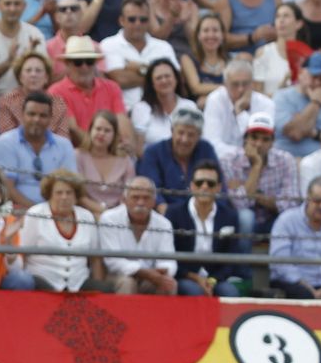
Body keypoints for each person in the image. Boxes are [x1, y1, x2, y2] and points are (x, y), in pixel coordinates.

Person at [20, 168, 109, 290]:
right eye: (59, 193)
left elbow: (95, 258)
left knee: (106, 290)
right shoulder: (35, 214)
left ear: (76, 196)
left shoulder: (86, 216)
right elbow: (23, 254)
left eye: (69, 193)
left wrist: (98, 288)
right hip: (42, 281)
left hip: (78, 282)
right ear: (49, 194)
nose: (64, 197)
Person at [168, 158, 247, 295]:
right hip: (185, 276)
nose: (204, 187)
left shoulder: (230, 216)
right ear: (192, 186)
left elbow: (232, 257)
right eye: (199, 183)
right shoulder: (174, 213)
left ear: (218, 188)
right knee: (194, 291)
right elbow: (170, 255)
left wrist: (212, 281)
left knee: (230, 293)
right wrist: (194, 277)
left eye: (210, 184)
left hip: (217, 278)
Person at [0, 89, 76, 209]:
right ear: (22, 115)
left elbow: (69, 185)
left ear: (51, 118)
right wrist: (37, 212)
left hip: (56, 209)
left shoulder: (64, 145)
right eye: (32, 114)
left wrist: (50, 211)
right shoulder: (5, 143)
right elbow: (7, 188)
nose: (36, 119)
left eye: (42, 116)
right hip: (16, 209)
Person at [218, 109, 298, 236]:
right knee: (245, 217)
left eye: (265, 139)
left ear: (272, 143)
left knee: (290, 219)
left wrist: (255, 195)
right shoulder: (228, 161)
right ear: (245, 139)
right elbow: (239, 205)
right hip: (240, 222)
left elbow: (291, 204)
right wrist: (256, 166)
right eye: (254, 138)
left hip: (274, 219)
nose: (259, 144)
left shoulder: (286, 160)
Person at [99, 175, 184, 294]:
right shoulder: (109, 219)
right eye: (135, 197)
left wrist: (162, 273)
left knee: (169, 283)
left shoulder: (164, 224)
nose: (140, 202)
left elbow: (169, 261)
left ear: (154, 202)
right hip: (118, 276)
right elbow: (113, 261)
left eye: (146, 198)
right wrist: (145, 273)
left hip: (153, 276)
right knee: (127, 283)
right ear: (125, 199)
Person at [99, 0, 177, 111]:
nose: (138, 24)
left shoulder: (163, 47)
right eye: (132, 19)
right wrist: (158, 76)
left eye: (143, 19)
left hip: (161, 112)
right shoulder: (107, 45)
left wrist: (138, 68)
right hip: (124, 114)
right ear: (121, 20)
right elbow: (120, 80)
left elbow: (176, 79)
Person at [48, 35, 128, 142]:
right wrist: (103, 150)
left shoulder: (112, 87)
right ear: (67, 64)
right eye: (78, 62)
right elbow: (73, 130)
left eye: (89, 61)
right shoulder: (56, 92)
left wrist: (124, 146)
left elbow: (123, 124)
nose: (84, 67)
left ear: (95, 63)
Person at [136, 106, 217, 210]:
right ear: (172, 131)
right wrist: (167, 212)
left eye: (191, 135)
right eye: (181, 133)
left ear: (199, 136)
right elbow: (151, 189)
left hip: (201, 211)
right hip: (165, 213)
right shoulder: (153, 152)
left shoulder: (206, 149)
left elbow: (218, 186)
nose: (184, 139)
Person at [202, 57, 272, 155]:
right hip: (222, 162)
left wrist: (240, 112)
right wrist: (241, 155)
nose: (240, 89)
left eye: (245, 84)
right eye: (235, 84)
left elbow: (262, 144)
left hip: (257, 161)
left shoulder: (266, 104)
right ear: (225, 84)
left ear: (253, 84)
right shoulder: (215, 100)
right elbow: (212, 143)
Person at [0, 51, 69, 140]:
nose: (33, 75)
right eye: (28, 70)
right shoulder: (7, 102)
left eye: (38, 71)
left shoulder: (58, 103)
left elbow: (63, 139)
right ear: (20, 77)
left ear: (46, 78)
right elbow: (7, 139)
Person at [74, 107, 133, 213]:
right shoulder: (78, 156)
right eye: (98, 129)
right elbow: (79, 195)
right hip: (86, 214)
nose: (101, 134)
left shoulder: (125, 160)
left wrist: (114, 215)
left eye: (107, 130)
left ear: (114, 135)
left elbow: (129, 194)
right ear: (90, 130)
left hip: (118, 216)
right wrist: (102, 212)